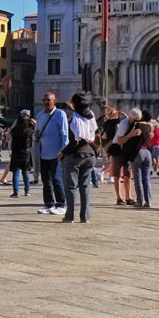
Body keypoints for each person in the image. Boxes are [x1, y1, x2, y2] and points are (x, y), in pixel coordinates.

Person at [60, 93, 99, 224]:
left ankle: (69, 216)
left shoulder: (74, 119)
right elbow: (94, 134)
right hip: (90, 155)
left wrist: (62, 153)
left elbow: (75, 142)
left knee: (70, 186)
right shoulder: (91, 116)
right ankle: (85, 216)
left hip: (75, 156)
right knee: (85, 186)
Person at [35, 91, 68, 215]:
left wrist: (63, 151)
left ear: (54, 101)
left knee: (56, 179)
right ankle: (48, 204)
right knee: (46, 180)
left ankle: (60, 204)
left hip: (57, 153)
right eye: (44, 100)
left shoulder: (60, 114)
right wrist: (36, 135)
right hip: (44, 153)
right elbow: (36, 132)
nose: (46, 102)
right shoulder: (40, 115)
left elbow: (65, 134)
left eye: (48, 100)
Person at [125, 110, 155, 209]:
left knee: (137, 179)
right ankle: (148, 201)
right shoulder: (149, 126)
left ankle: (139, 201)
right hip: (147, 153)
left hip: (138, 152)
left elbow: (130, 139)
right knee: (146, 179)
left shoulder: (136, 124)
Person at [8, 111, 35, 198]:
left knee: (15, 173)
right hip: (25, 153)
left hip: (16, 152)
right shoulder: (29, 131)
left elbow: (9, 135)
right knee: (25, 172)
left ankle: (16, 192)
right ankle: (27, 191)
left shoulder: (14, 131)